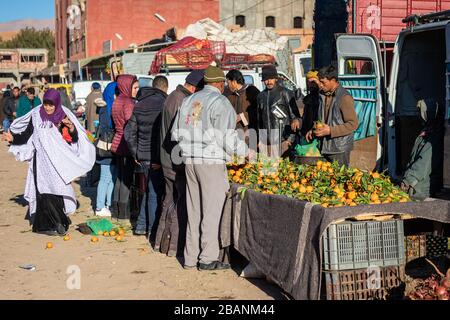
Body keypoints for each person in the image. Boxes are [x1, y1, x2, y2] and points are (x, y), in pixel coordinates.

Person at [172, 65, 247, 271]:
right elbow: (227, 136)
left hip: (189, 160)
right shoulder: (220, 102)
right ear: (220, 84)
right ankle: (207, 258)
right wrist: (245, 152)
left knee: (194, 210)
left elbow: (176, 134)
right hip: (211, 161)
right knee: (212, 211)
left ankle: (189, 258)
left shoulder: (189, 100)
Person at [5, 89, 95, 236]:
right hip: (40, 162)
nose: (47, 107)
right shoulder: (36, 115)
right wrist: (13, 139)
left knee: (58, 190)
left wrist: (71, 127)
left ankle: (60, 222)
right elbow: (27, 135)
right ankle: (47, 226)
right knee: (43, 192)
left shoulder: (63, 116)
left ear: (57, 103)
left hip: (57, 162)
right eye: (46, 104)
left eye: (51, 105)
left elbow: (73, 139)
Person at [155, 70, 204, 257]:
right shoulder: (182, 101)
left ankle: (160, 242)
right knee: (179, 203)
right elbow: (181, 134)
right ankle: (173, 246)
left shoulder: (172, 97)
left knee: (168, 200)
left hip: (166, 158)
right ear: (194, 87)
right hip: (175, 160)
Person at [124, 76, 168, 236]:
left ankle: (142, 225)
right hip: (156, 157)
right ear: (165, 88)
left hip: (142, 156)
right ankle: (152, 230)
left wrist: (135, 153)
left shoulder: (139, 104)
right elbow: (164, 135)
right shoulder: (165, 103)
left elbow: (129, 133)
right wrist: (161, 159)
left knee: (149, 191)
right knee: (154, 193)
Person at [305, 65, 359, 167]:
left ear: (333, 80)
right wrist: (313, 129)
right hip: (324, 147)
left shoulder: (344, 97)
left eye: (323, 82)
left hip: (339, 149)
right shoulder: (321, 95)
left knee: (338, 179)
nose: (320, 85)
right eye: (319, 81)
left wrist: (330, 131)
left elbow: (353, 124)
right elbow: (322, 119)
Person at [401, 99, 445, 200]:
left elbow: (423, 162)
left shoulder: (434, 136)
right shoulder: (428, 130)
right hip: (421, 179)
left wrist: (409, 180)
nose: (419, 116)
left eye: (421, 112)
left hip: (423, 184)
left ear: (429, 114)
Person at [256, 65, 301, 158]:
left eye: (271, 78)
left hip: (283, 141)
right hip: (267, 144)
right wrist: (260, 140)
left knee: (284, 171)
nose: (269, 82)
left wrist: (290, 140)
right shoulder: (260, 96)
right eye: (266, 79)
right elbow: (259, 121)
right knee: (268, 170)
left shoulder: (285, 93)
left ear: (276, 78)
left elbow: (295, 117)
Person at [111, 75, 139, 221]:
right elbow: (130, 124)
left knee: (120, 178)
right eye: (135, 87)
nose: (137, 90)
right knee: (126, 179)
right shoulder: (128, 102)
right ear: (127, 87)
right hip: (126, 143)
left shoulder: (117, 101)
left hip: (117, 142)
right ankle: (124, 213)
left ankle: (116, 210)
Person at [95, 82, 118, 217]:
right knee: (105, 178)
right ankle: (99, 207)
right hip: (107, 147)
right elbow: (107, 127)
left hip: (109, 147)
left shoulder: (104, 106)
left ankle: (108, 205)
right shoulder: (106, 108)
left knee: (111, 177)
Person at [300, 70, 322, 137]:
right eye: (309, 82)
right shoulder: (307, 99)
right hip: (308, 134)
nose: (311, 85)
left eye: (313, 82)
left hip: (319, 132)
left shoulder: (323, 98)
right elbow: (305, 118)